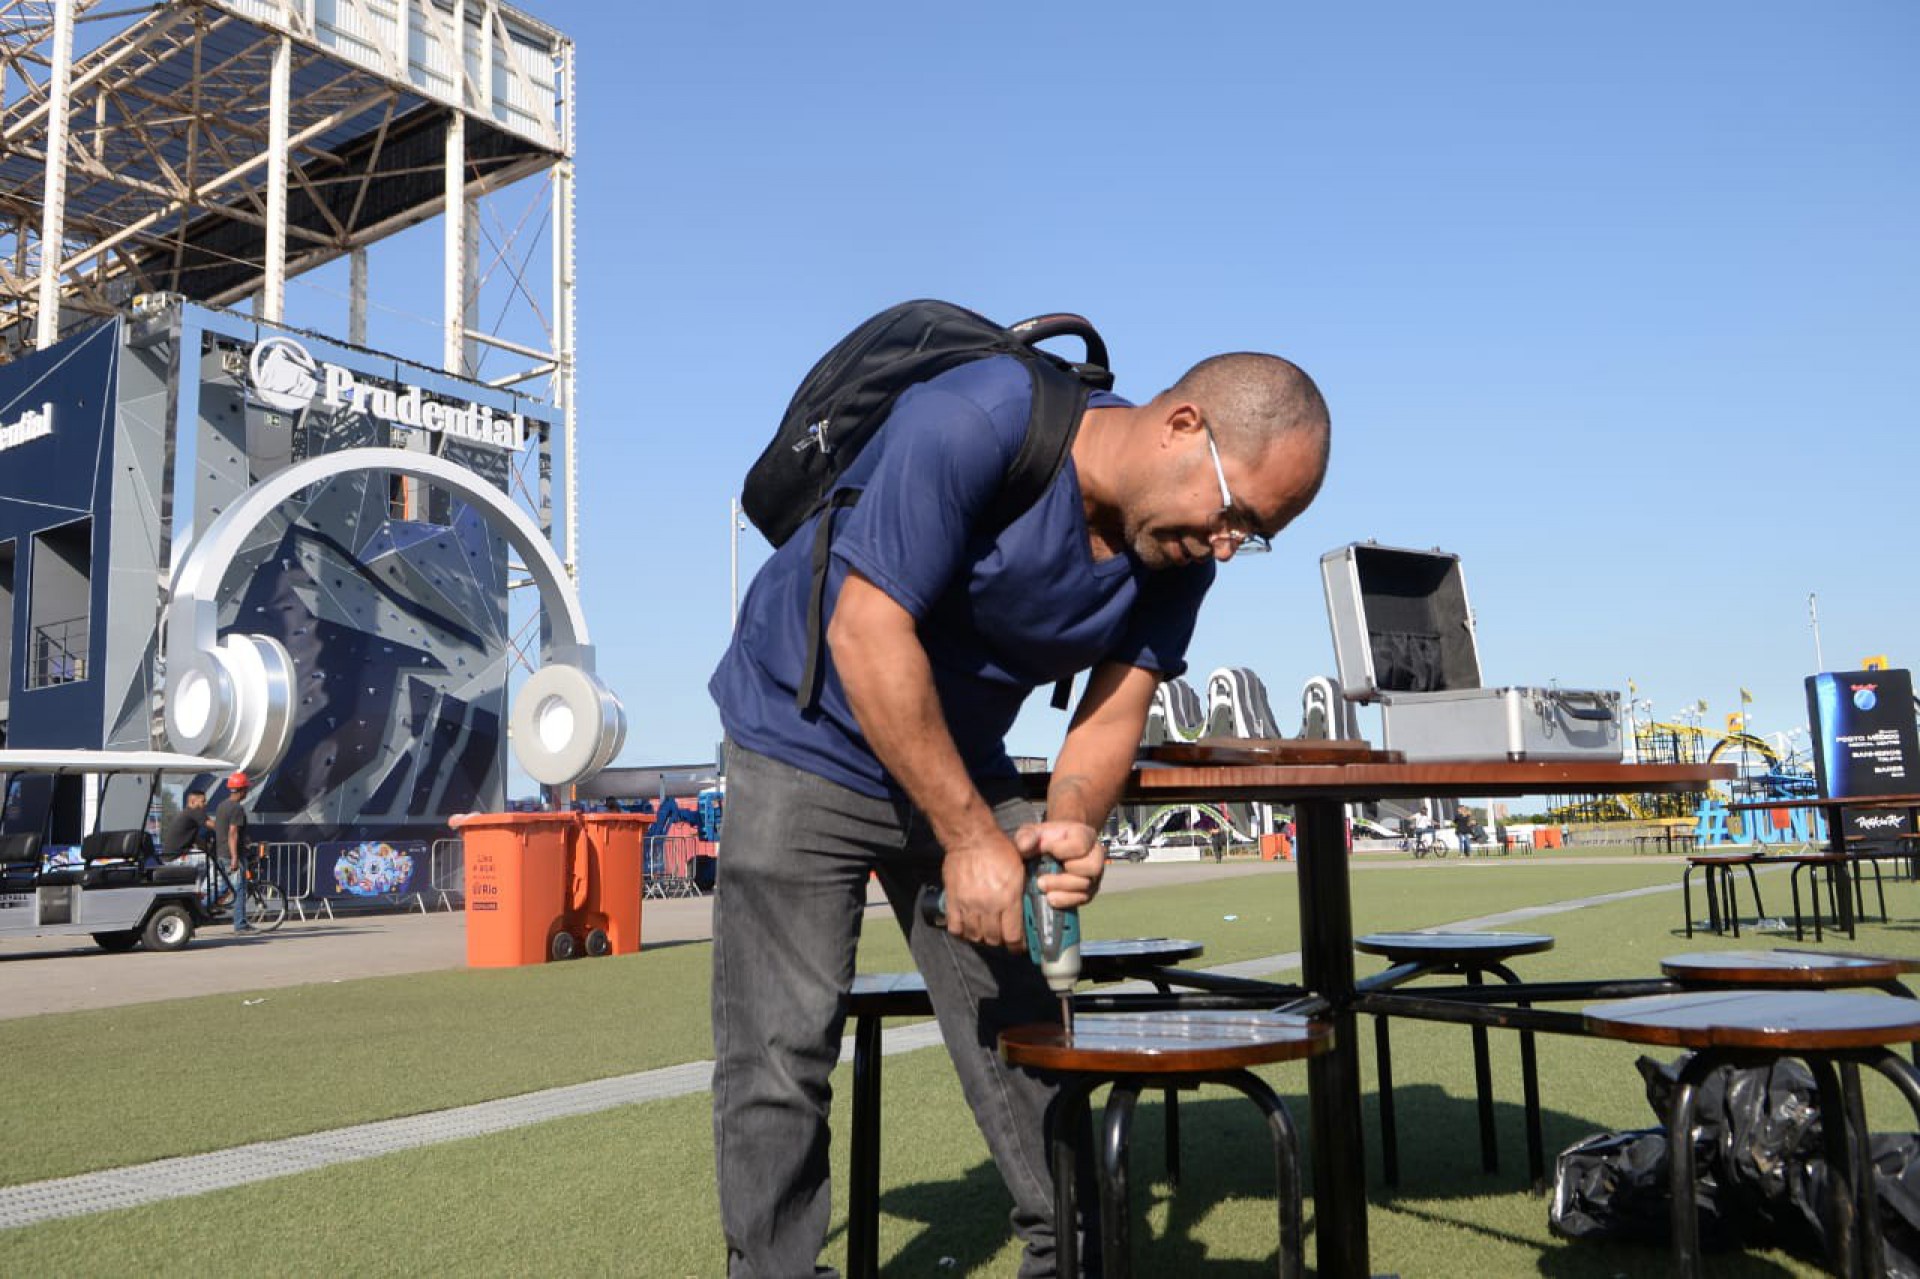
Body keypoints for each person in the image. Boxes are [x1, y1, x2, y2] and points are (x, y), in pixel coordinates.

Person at [708, 349, 1330, 1276]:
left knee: (1028, 1032)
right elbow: (864, 630)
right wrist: (968, 838)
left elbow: (1113, 709)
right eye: (1236, 511)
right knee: (781, 1051)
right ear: (1184, 426)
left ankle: (1067, 1252)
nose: (1230, 543)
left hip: (960, 752)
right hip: (807, 732)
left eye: (1258, 533)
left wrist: (1074, 819)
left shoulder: (1178, 554)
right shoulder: (976, 420)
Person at [213, 772, 254, 934]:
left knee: (223, 887)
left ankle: (202, 908)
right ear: (242, 790)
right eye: (246, 789)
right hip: (232, 855)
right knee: (239, 889)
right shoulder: (237, 808)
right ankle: (240, 924)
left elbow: (222, 829)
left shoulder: (222, 805)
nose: (247, 792)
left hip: (221, 853)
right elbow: (232, 833)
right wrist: (235, 857)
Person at [160, 787, 212, 861]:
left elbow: (196, 839)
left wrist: (208, 848)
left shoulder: (186, 813)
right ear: (193, 802)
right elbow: (214, 826)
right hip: (177, 857)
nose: (206, 803)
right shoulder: (194, 811)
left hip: (167, 859)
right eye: (203, 801)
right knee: (209, 862)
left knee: (202, 857)